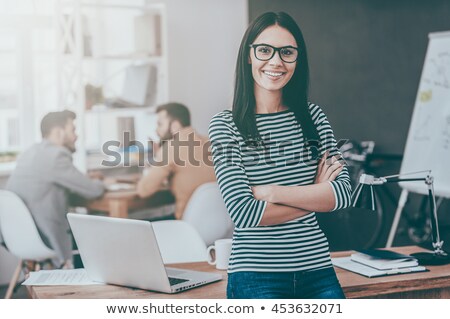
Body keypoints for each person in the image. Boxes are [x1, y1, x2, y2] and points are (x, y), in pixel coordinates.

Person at [208, 12, 352, 299]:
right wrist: (315, 195)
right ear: (249, 55)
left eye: (287, 52)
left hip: (318, 269)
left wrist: (273, 192)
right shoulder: (225, 125)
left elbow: (343, 194)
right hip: (256, 275)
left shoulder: (313, 117)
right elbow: (244, 213)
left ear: (297, 60)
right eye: (264, 50)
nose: (276, 62)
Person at [5, 110, 105, 267]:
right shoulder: (56, 156)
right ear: (59, 132)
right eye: (73, 129)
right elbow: (93, 191)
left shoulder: (31, 152)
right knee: (101, 236)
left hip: (17, 238)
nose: (76, 136)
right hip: (46, 238)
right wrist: (101, 181)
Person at [137, 102, 216, 220]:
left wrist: (156, 161)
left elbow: (144, 190)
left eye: (160, 124)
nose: (156, 130)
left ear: (175, 125)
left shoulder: (171, 147)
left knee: (136, 220)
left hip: (187, 225)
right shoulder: (211, 142)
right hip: (218, 224)